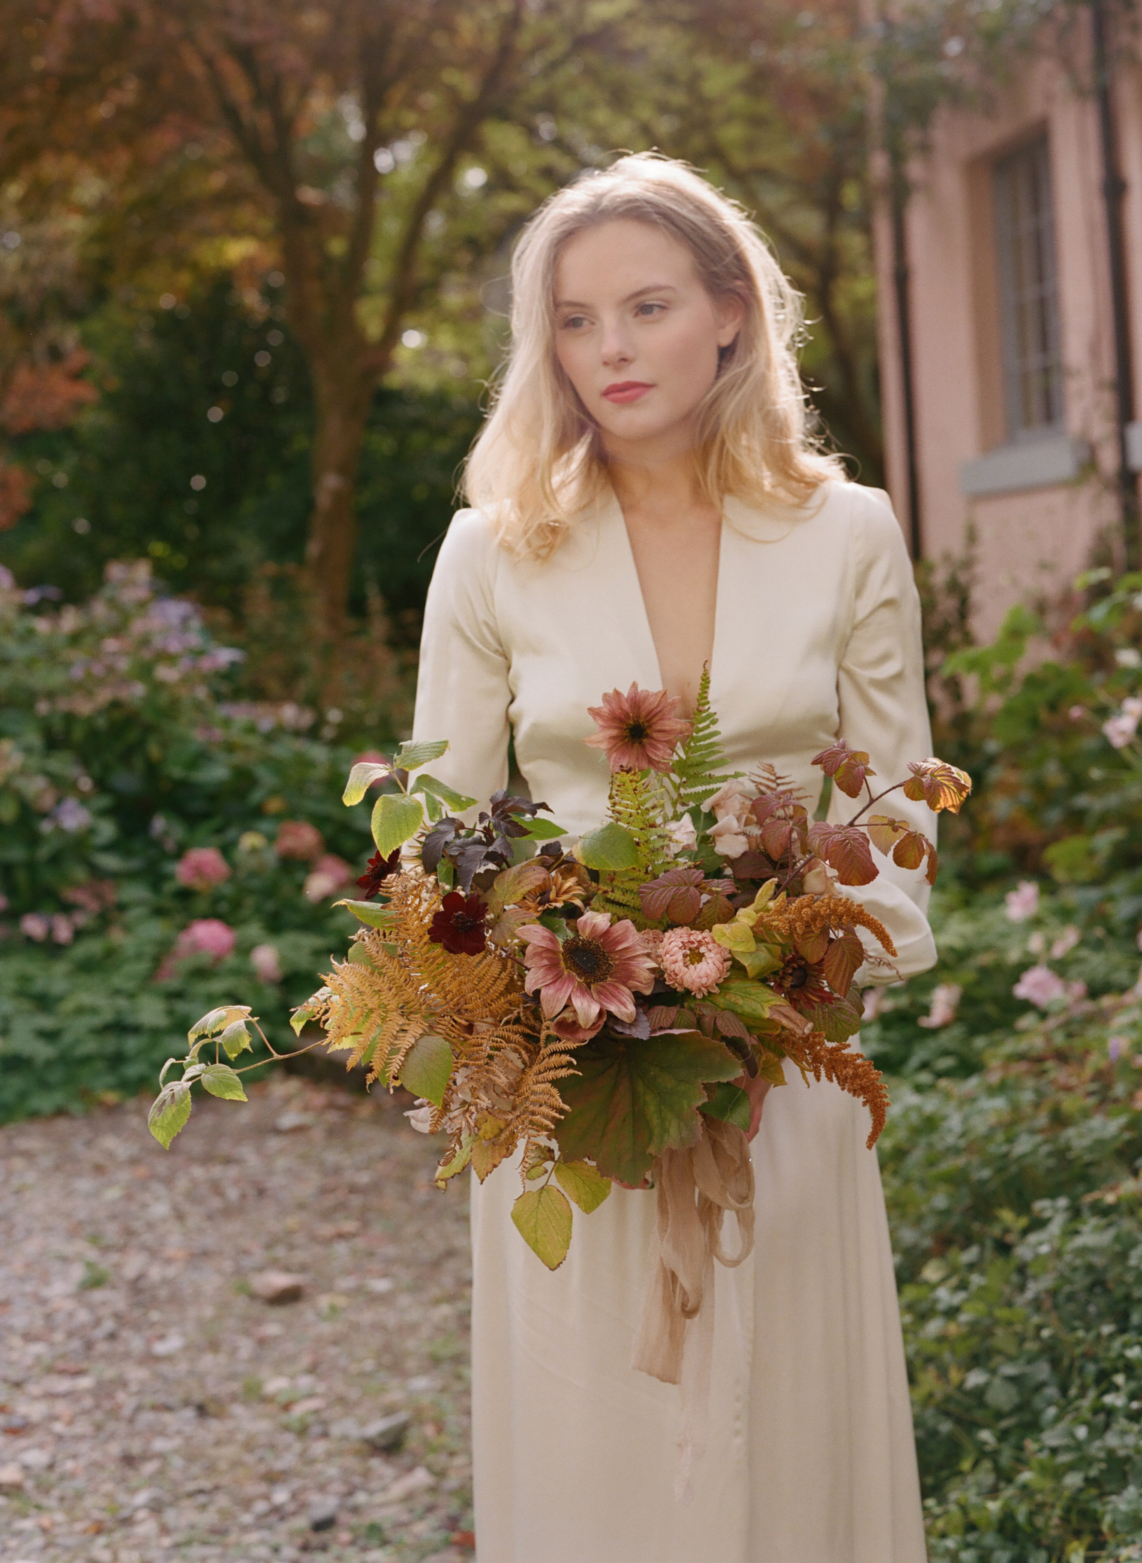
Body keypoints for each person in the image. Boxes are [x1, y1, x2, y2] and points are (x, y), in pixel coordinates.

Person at [411, 153, 936, 1563]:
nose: (609, 351)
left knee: (792, 1423)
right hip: (568, 1074)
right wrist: (533, 985)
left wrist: (789, 990)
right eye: (575, 322)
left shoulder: (849, 533)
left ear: (728, 313)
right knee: (597, 1449)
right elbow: (440, 828)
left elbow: (898, 805)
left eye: (643, 308)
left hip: (788, 1066)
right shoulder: (490, 552)